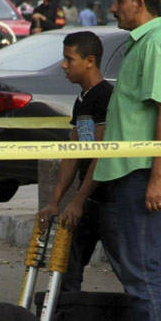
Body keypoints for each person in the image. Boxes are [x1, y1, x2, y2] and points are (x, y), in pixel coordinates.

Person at [72, 0, 161, 321]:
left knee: (144, 269)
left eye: (119, 0)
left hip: (142, 174)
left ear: (139, 3)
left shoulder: (157, 45)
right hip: (129, 173)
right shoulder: (142, 45)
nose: (114, 6)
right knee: (142, 268)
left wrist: (158, 177)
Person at [37, 31, 112, 291]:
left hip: (111, 200)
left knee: (129, 270)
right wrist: (55, 202)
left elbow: (100, 154)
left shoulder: (105, 97)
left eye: (69, 59)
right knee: (67, 269)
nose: (63, 65)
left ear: (90, 61)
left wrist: (78, 201)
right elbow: (77, 151)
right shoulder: (83, 100)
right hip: (89, 200)